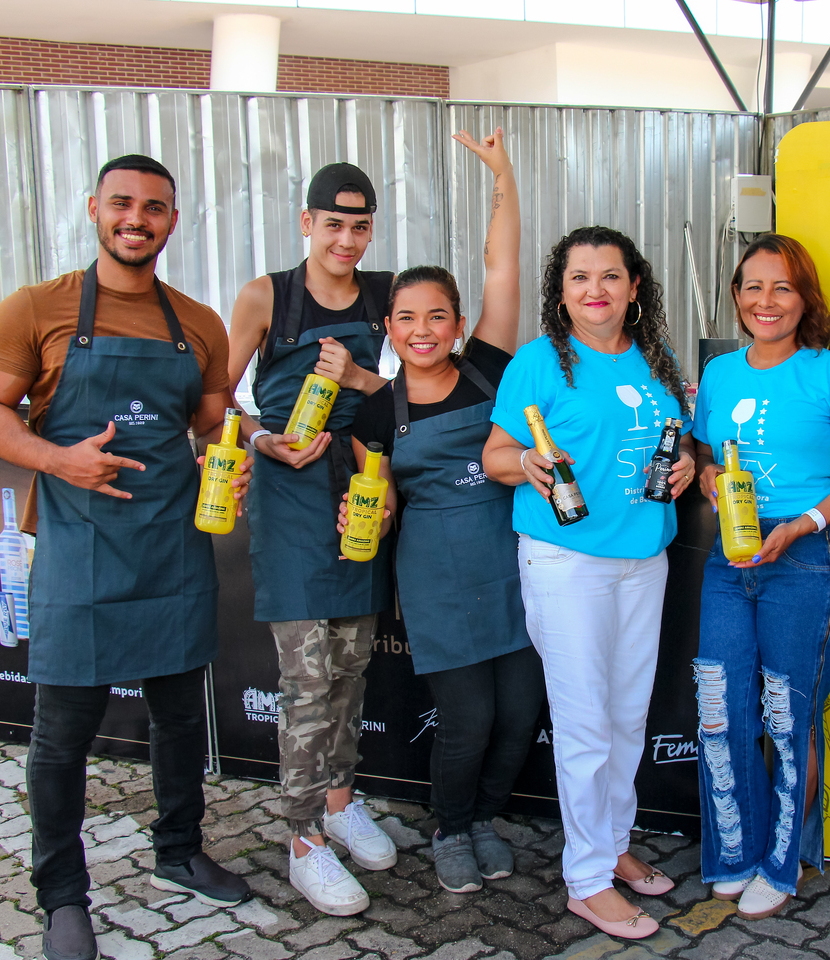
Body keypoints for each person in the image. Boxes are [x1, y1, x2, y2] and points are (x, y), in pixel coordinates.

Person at [0, 154, 253, 960]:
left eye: (154, 208)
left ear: (172, 221)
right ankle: (61, 896)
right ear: (95, 208)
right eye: (122, 203)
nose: (136, 219)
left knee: (180, 718)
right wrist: (59, 459)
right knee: (62, 737)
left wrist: (234, 452)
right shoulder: (35, 307)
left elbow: (210, 418)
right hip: (78, 549)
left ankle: (179, 850)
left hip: (171, 547)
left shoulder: (197, 322)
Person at [483, 225, 696, 940]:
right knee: (584, 725)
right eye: (579, 277)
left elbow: (680, 440)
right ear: (561, 292)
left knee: (628, 718)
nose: (595, 290)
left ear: (634, 287)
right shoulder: (539, 362)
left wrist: (689, 462)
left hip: (644, 558)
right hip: (568, 563)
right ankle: (586, 880)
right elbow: (495, 455)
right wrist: (527, 464)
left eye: (610, 276)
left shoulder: (657, 357)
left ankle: (612, 846)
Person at [346, 128, 545, 894]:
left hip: (515, 573)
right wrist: (366, 516)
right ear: (389, 329)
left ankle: (486, 816)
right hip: (437, 587)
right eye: (406, 318)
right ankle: (451, 827)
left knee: (518, 716)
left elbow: (503, 266)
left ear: (459, 324)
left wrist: (504, 175)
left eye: (437, 316)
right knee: (467, 722)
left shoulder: (490, 369)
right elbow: (381, 500)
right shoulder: (376, 413)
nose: (422, 330)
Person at [692, 233, 830, 920]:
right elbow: (704, 453)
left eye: (782, 287)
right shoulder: (719, 374)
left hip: (805, 557)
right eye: (753, 286)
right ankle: (734, 852)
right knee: (721, 709)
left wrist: (800, 525)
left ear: (805, 299)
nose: (765, 301)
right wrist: (707, 477)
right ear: (736, 296)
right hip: (730, 557)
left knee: (787, 715)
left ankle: (782, 859)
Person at [226, 161, 397, 915]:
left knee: (352, 667)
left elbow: (419, 389)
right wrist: (261, 440)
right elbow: (214, 398)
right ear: (307, 222)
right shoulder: (267, 295)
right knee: (307, 679)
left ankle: (339, 801)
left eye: (360, 227)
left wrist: (360, 380)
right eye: (333, 224)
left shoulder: (386, 296)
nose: (346, 241)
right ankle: (301, 838)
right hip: (288, 499)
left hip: (358, 493)